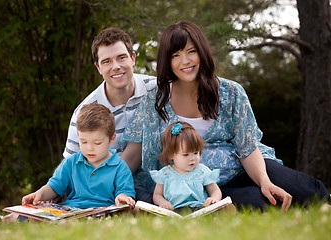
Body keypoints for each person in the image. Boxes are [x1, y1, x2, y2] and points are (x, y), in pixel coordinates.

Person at [121, 20, 330, 211]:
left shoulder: (231, 92)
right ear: (167, 60)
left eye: (191, 51)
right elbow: (133, 153)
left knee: (310, 191)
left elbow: (247, 148)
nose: (185, 61)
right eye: (175, 55)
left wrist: (264, 181)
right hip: (203, 186)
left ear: (201, 52)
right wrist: (104, 179)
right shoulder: (155, 100)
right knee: (258, 202)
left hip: (245, 166)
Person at [63, 27, 156, 202]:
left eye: (121, 58)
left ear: (133, 58)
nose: (116, 67)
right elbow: (69, 165)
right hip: (107, 188)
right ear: (98, 68)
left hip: (158, 181)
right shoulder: (85, 111)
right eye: (106, 61)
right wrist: (51, 195)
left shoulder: (157, 91)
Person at [23, 103, 135, 209]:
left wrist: (123, 197)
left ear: (112, 139)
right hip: (72, 209)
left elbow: (124, 192)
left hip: (104, 210)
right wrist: (39, 194)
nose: (89, 148)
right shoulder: (70, 163)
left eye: (97, 143)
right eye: (84, 142)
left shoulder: (120, 166)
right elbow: (54, 187)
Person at [151, 121, 222, 210]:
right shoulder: (165, 174)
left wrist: (214, 198)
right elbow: (157, 195)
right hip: (174, 209)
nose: (192, 158)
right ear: (171, 155)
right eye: (185, 155)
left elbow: (215, 190)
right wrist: (163, 202)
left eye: (196, 153)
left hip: (199, 207)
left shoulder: (202, 171)